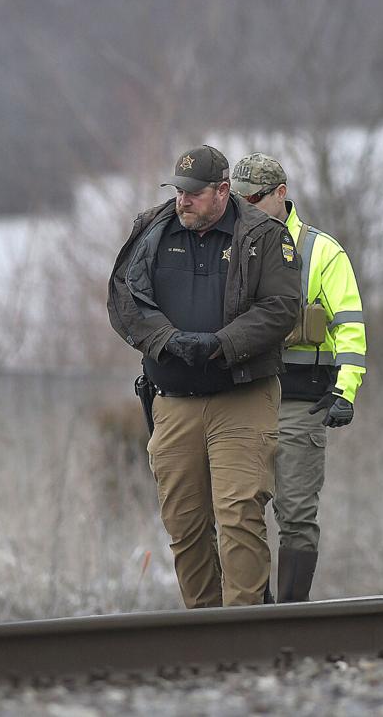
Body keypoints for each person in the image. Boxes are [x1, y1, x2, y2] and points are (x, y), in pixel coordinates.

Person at [106, 145, 300, 607]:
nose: (183, 201)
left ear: (222, 191)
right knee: (184, 521)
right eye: (178, 191)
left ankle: (245, 627)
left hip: (242, 395)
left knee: (238, 514)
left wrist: (220, 345)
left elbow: (280, 309)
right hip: (172, 398)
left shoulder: (264, 235)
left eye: (194, 193)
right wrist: (167, 340)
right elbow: (124, 299)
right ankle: (204, 627)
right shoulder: (152, 230)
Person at [230, 153, 367, 603]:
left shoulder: (322, 251)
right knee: (240, 512)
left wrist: (345, 391)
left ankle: (289, 615)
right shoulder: (228, 246)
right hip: (242, 399)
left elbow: (349, 324)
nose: (244, 207)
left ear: (281, 194)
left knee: (296, 513)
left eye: (253, 198)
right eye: (237, 198)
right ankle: (252, 608)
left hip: (300, 401)